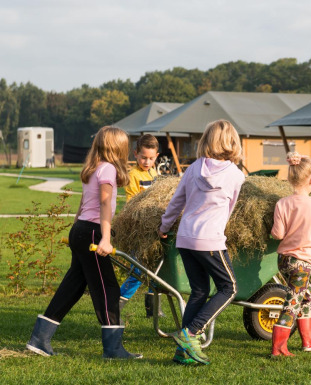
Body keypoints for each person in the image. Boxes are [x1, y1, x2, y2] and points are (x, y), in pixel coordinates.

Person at [26, 126, 142, 359]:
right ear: (117, 147)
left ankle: (39, 339)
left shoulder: (93, 168)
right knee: (107, 288)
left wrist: (75, 229)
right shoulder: (108, 169)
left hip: (81, 229)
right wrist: (106, 238)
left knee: (73, 286)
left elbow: (82, 202)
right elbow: (104, 205)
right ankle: (113, 349)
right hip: (92, 232)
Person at [158, 119, 245, 366]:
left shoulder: (194, 168)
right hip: (210, 240)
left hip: (185, 239)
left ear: (206, 140)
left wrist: (164, 227)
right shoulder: (236, 175)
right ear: (232, 143)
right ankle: (191, 332)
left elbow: (177, 202)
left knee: (199, 291)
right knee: (229, 288)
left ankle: (182, 353)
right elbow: (229, 210)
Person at [270, 152, 311, 357]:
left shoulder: (281, 204)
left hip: (284, 261)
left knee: (307, 296)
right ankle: (278, 346)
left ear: (289, 178)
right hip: (302, 263)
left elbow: (277, 234)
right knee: (292, 301)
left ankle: (308, 339)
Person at [119, 134, 162, 319]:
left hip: (155, 229)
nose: (147, 161)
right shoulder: (133, 175)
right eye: (143, 157)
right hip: (139, 229)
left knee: (157, 269)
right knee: (138, 270)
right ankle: (117, 305)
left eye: (151, 158)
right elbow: (133, 204)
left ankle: (153, 308)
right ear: (136, 154)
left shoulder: (155, 174)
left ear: (156, 156)